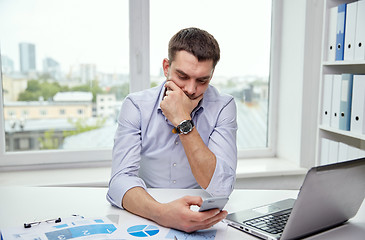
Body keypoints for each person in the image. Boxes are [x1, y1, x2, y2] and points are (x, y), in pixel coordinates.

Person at [107, 27, 237, 233]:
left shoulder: (223, 106)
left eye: (202, 80)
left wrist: (183, 120)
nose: (191, 89)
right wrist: (163, 214)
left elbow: (221, 186)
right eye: (182, 76)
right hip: (147, 211)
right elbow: (119, 182)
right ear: (166, 67)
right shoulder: (136, 105)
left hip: (200, 214)